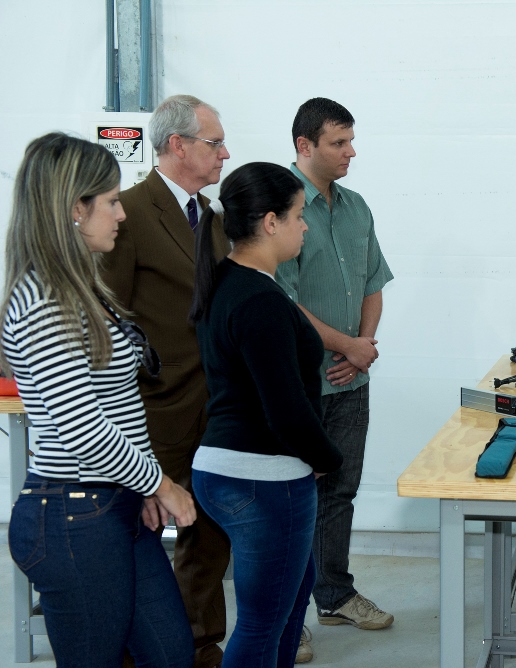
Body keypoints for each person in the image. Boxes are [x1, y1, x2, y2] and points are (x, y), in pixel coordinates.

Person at [2, 132, 197, 667]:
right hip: (72, 517)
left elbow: (122, 411)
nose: (121, 213)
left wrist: (145, 486)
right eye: (111, 201)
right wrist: (163, 484)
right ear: (73, 209)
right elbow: (83, 429)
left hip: (113, 505)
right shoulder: (44, 299)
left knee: (171, 653)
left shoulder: (80, 289)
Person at [189, 162, 344, 667]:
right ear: (271, 221)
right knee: (260, 624)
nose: (306, 226)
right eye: (299, 216)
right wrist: (327, 457)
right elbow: (285, 408)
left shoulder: (230, 282)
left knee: (286, 607)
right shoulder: (259, 299)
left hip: (229, 470)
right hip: (263, 478)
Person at [102, 94, 232, 668]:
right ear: (178, 145)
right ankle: (131, 649)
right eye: (214, 143)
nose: (225, 153)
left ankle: (200, 642)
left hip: (219, 407)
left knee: (211, 534)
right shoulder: (127, 213)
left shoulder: (217, 220)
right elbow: (106, 318)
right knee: (139, 536)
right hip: (152, 411)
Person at [276, 97, 394, 636]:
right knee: (289, 500)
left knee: (340, 492)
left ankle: (334, 594)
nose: (351, 152)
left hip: (351, 379)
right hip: (298, 384)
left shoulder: (357, 207)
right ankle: (285, 617)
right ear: (305, 146)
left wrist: (361, 344)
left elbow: (373, 282)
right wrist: (346, 344)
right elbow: (282, 301)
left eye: (351, 140)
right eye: (338, 143)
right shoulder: (277, 211)